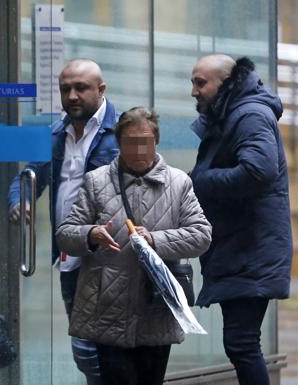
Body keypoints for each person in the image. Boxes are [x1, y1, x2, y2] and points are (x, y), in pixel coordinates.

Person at [55, 107, 212, 385]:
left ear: (157, 141)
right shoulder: (97, 180)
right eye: (131, 142)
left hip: (156, 307)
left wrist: (155, 239)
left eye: (146, 142)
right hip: (108, 306)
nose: (139, 151)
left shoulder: (178, 183)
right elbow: (65, 234)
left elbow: (201, 235)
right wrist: (92, 234)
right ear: (119, 143)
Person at [8, 59, 119, 384]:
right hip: (71, 257)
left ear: (101, 90)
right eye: (65, 89)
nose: (72, 95)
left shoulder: (122, 130)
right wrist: (22, 199)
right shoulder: (56, 134)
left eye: (80, 88)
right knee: (85, 352)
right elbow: (27, 176)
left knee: (105, 350)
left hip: (110, 257)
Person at [188, 55, 293, 385]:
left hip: (251, 247)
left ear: (225, 82)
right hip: (243, 245)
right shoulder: (234, 113)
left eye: (200, 82)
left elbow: (258, 172)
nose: (193, 91)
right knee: (241, 342)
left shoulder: (249, 115)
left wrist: (199, 181)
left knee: (241, 342)